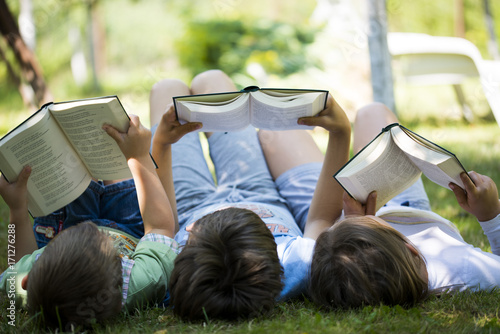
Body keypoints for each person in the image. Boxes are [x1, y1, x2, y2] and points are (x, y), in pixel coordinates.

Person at [148, 69, 351, 320]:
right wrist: (341, 133)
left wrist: (161, 145)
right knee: (213, 81)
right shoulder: (295, 266)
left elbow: (163, 225)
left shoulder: (175, 274)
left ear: (188, 235)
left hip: (188, 205)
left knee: (166, 88)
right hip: (258, 192)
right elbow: (321, 219)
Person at [308, 102, 500, 309]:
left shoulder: (357, 267)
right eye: (373, 224)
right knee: (374, 113)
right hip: (412, 210)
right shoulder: (464, 268)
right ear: (413, 249)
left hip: (368, 211)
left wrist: (354, 221)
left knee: (370, 113)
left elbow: (338, 249)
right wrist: (490, 215)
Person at [0, 115, 178, 329]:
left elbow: (15, 266)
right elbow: (160, 227)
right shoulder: (139, 281)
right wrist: (138, 157)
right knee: (111, 160)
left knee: (70, 160)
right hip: (131, 228)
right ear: (121, 267)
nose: (95, 228)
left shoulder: (25, 281)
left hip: (66, 222)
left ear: (27, 282)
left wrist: (17, 209)